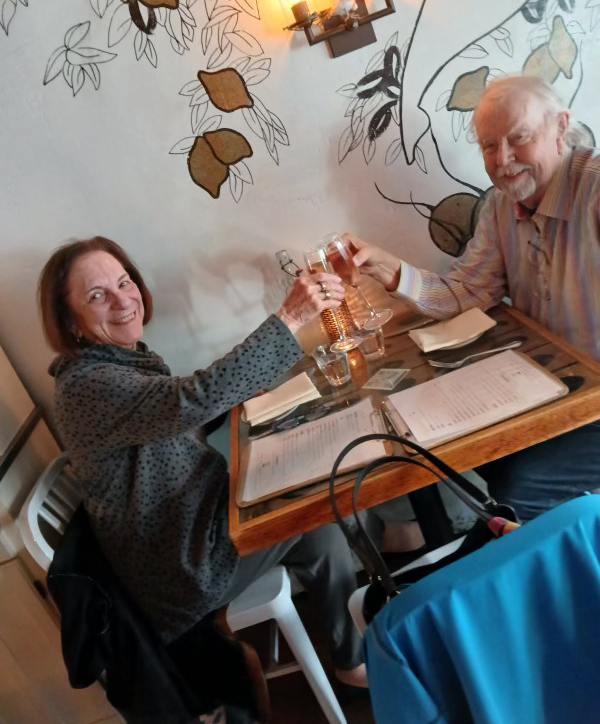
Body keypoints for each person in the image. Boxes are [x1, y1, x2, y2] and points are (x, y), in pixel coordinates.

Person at [37, 235, 368, 702]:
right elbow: (189, 400)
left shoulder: (118, 361)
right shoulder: (86, 386)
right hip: (188, 562)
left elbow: (175, 415)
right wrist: (291, 317)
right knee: (319, 499)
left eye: (124, 282)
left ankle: (352, 649)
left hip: (201, 522)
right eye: (97, 295)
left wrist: (248, 391)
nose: (122, 300)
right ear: (70, 322)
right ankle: (355, 653)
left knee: (318, 508)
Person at [345, 74, 600, 523]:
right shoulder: (500, 206)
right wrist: (389, 271)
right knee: (454, 446)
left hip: (590, 403)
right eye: (488, 146)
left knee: (517, 485)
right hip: (551, 390)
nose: (503, 161)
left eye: (519, 139)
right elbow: (467, 291)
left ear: (560, 128)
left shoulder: (594, 190)